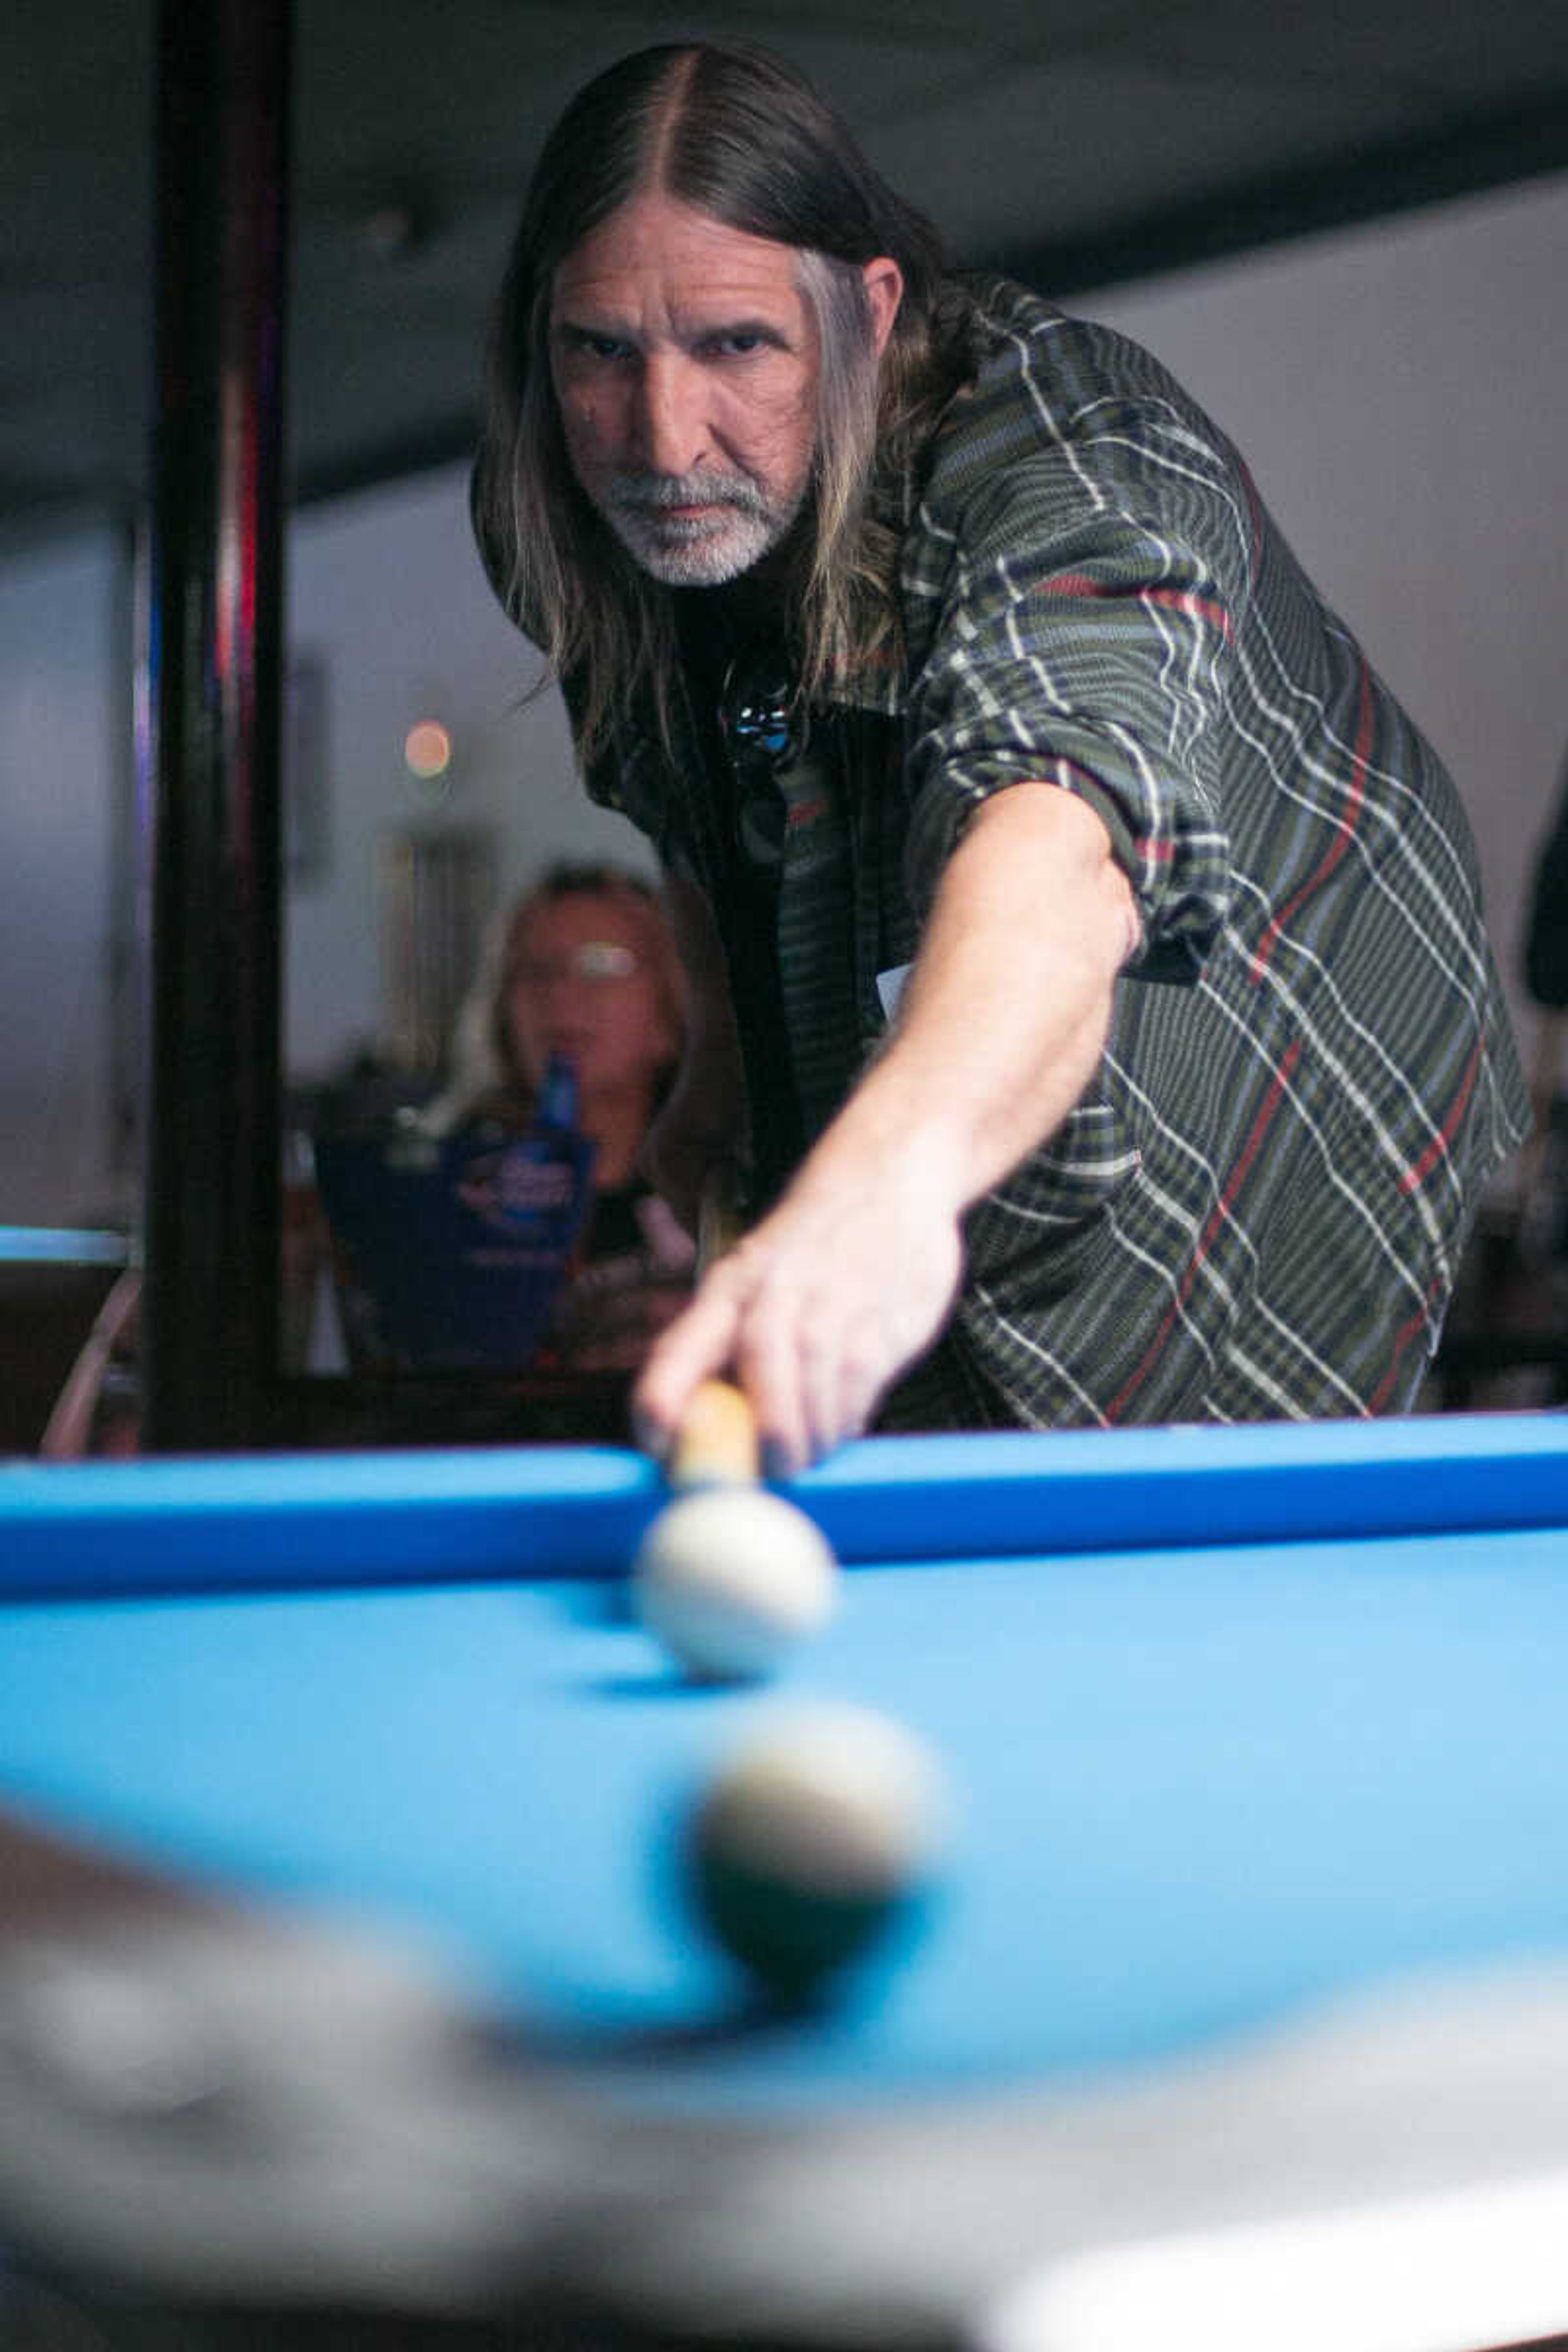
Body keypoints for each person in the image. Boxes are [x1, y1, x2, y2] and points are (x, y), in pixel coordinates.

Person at [471, 42, 1529, 1471]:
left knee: (1137, 1504)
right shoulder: (555, 513)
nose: (664, 438)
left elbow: (1058, 850)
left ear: (866, 308)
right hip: (945, 993)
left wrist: (884, 1188)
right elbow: (697, 790)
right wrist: (722, 1056)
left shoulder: (1066, 459)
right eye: (602, 349)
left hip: (1276, 1051)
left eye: (736, 346)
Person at [423, 861, 695, 1373]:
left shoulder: (720, 1167)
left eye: (599, 965)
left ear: (669, 1005)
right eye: (537, 971)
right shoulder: (458, 1174)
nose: (562, 996)